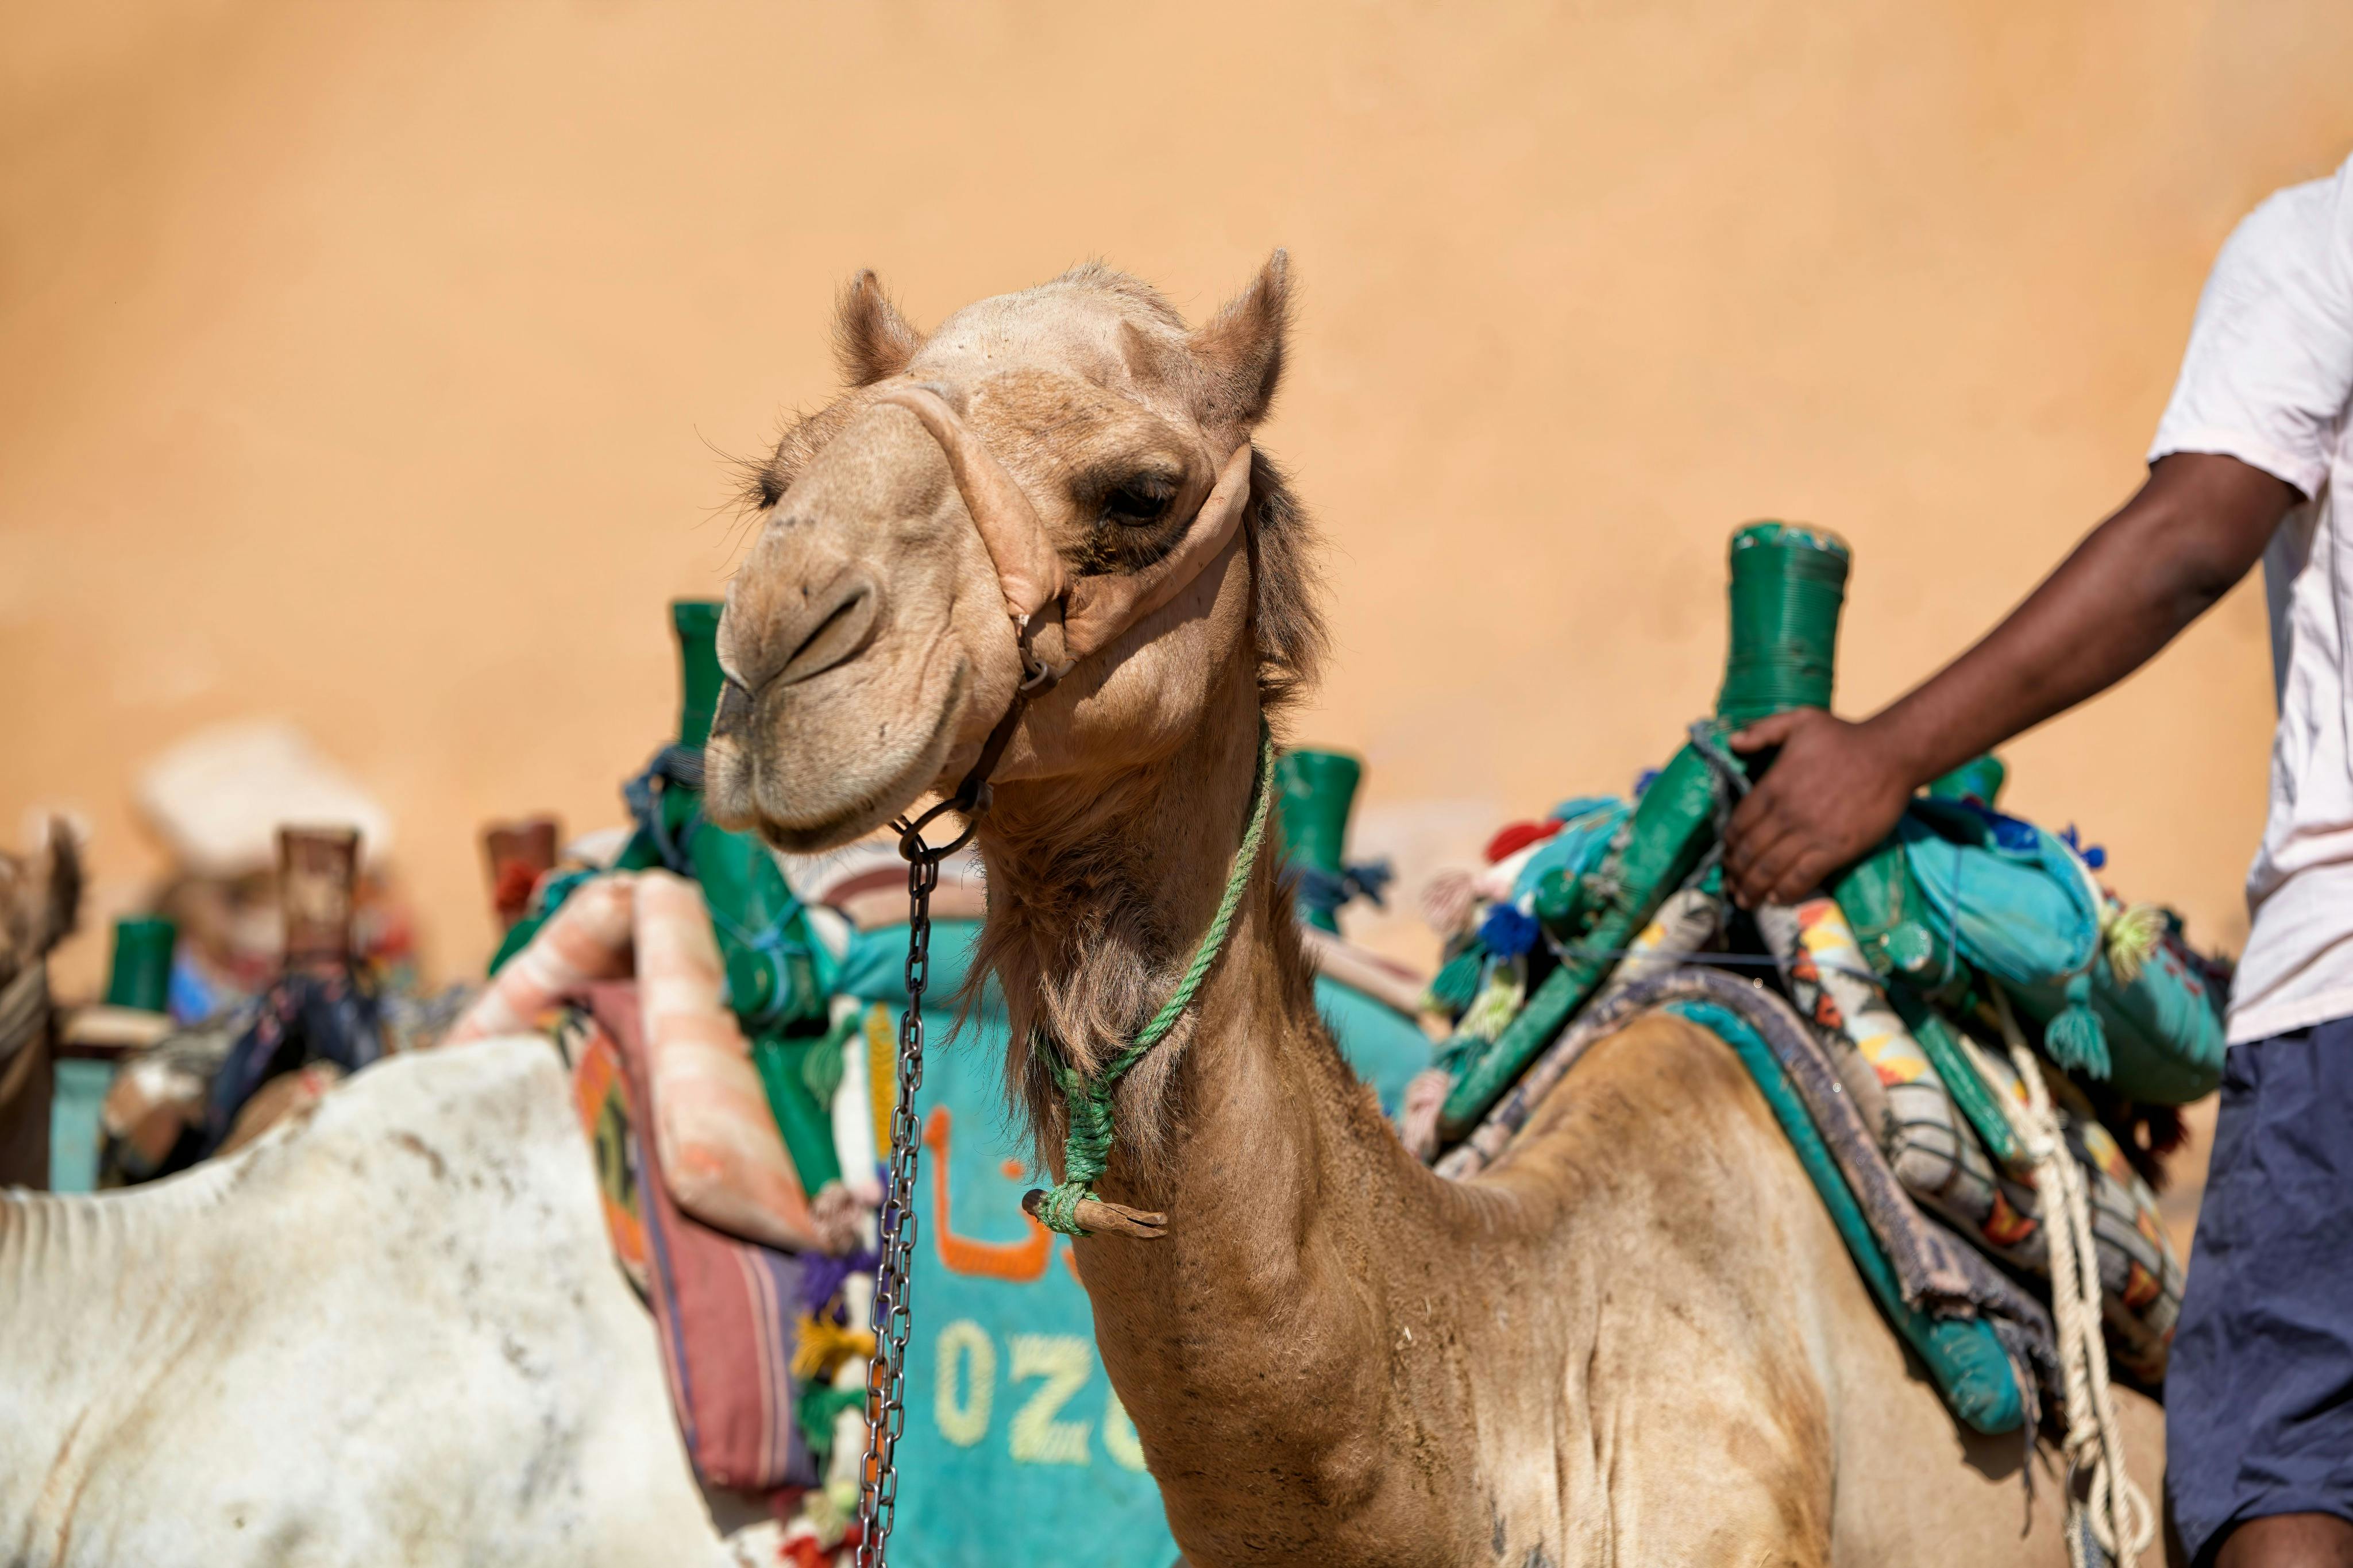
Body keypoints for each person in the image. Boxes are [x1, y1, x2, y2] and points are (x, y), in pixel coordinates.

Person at [1722, 154, 2353, 1568]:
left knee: (2288, 1458)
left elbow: (2189, 536)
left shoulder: (2324, 242)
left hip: (2339, 993)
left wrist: (1881, 756)